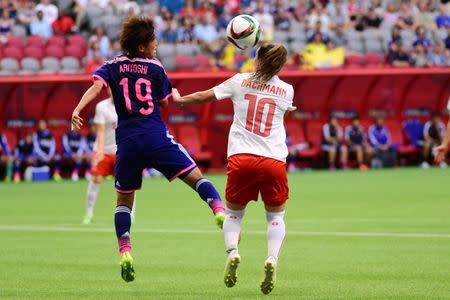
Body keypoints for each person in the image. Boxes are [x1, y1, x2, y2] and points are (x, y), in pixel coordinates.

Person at [70, 16, 225, 283]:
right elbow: (166, 103)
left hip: (128, 142)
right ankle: (218, 209)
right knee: (196, 176)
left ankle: (125, 251)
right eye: (152, 40)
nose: (156, 44)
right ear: (142, 46)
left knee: (123, 202)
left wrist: (77, 109)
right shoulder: (155, 67)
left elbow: (96, 87)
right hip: (155, 137)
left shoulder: (112, 66)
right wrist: (175, 95)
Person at [172, 42, 295, 295]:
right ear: (280, 65)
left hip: (242, 158)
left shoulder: (239, 81)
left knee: (234, 215)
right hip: (274, 161)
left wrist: (179, 100)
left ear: (257, 59)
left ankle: (233, 251)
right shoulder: (287, 90)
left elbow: (204, 95)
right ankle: (272, 258)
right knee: (275, 217)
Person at [82, 96, 137, 225]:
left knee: (127, 184)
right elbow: (100, 131)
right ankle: (88, 214)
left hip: (122, 150)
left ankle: (131, 214)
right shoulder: (102, 106)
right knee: (96, 179)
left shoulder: (130, 104)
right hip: (104, 150)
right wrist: (100, 152)